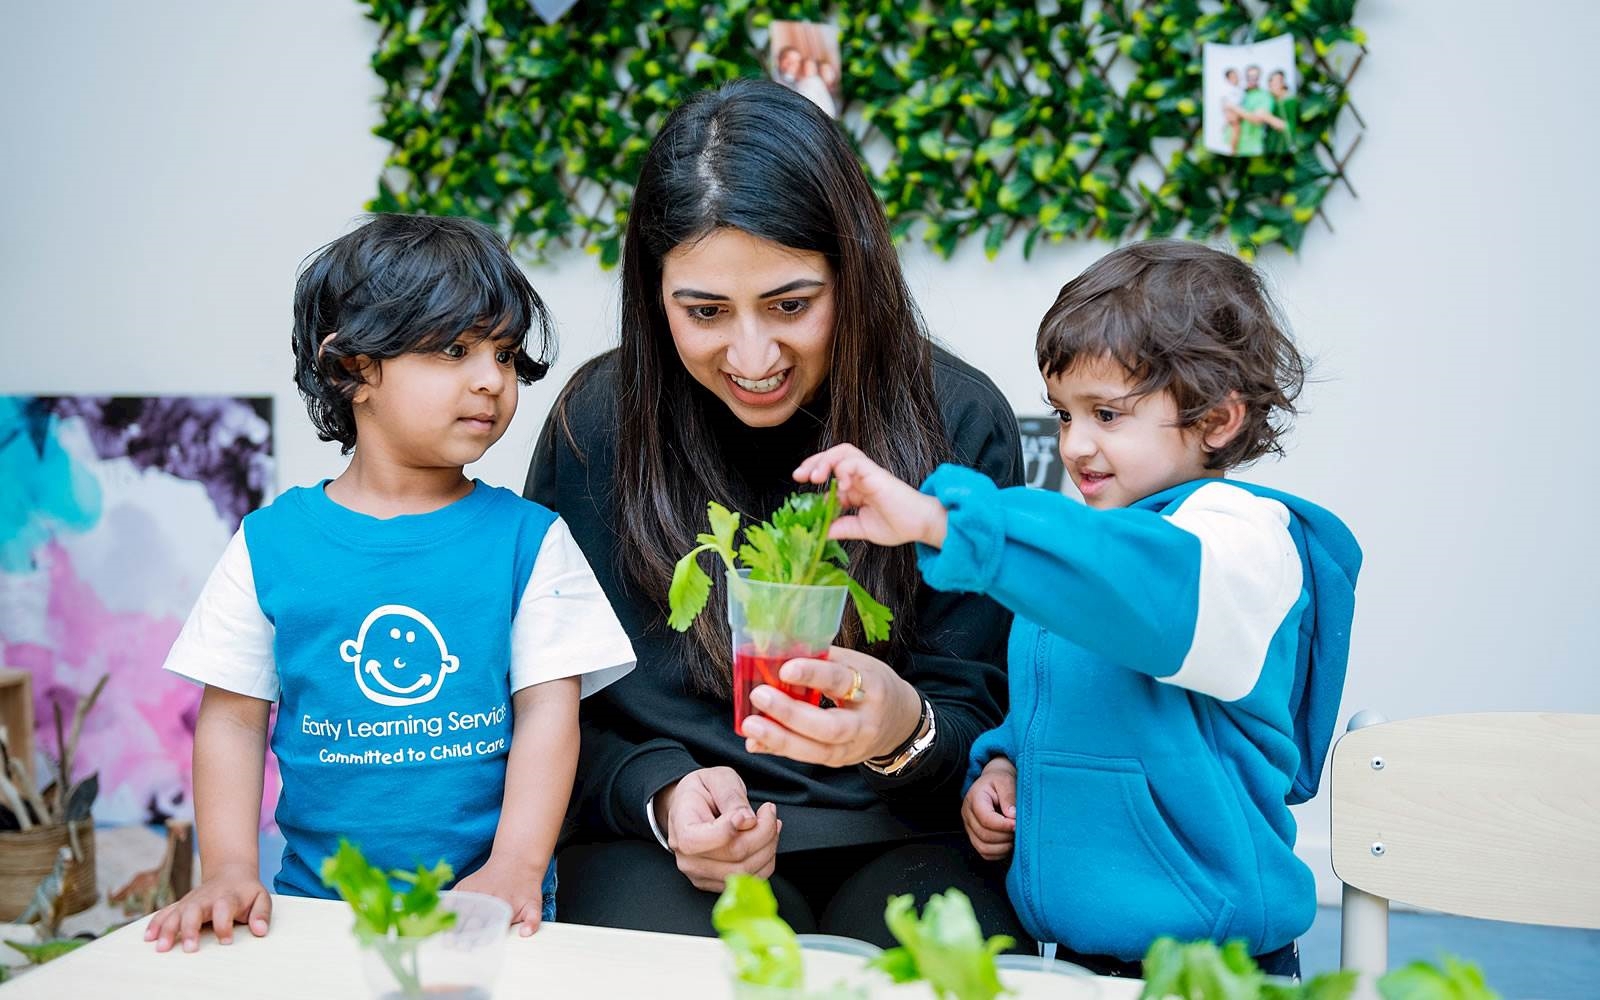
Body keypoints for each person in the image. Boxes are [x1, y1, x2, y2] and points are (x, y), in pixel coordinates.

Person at [524, 78, 1027, 946]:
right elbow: (554, 697)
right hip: (662, 843)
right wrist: (663, 796)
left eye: (792, 305)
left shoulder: (959, 418)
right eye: (705, 312)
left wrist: (904, 727)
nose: (752, 356)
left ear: (854, 272)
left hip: (907, 831)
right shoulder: (596, 424)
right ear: (653, 295)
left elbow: (986, 710)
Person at [794, 239, 1361, 978]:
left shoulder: (1241, 543)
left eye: (1107, 413)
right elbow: (1068, 697)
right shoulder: (1083, 550)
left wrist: (944, 521)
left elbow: (1145, 598)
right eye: (1064, 414)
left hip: (1216, 969)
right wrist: (1003, 766)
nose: (1076, 445)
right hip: (1080, 956)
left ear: (1218, 421)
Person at [147, 214, 636, 953]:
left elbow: (547, 716)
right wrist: (229, 868)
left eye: (504, 354)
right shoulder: (270, 546)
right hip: (318, 915)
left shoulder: (531, 544)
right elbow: (234, 720)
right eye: (454, 349)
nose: (491, 379)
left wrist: (515, 867)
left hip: (492, 915)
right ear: (351, 369)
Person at [1235, 65, 1285, 156]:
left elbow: (1257, 120)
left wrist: (1233, 108)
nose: (1252, 79)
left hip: (1252, 146)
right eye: (1249, 76)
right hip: (1234, 144)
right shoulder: (1243, 93)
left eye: (1255, 77)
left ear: (1259, 78)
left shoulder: (1265, 96)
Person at [1264, 69, 1298, 155]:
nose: (1272, 86)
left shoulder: (1290, 101)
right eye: (1270, 83)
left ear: (1283, 83)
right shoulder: (1272, 101)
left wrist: (1270, 119)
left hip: (1285, 149)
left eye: (1276, 83)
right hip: (1272, 147)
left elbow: (1291, 126)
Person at [1218, 66, 1244, 154]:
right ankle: (1232, 150)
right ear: (1228, 78)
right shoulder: (1226, 89)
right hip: (1231, 113)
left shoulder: (1240, 89)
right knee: (1236, 129)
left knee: (1236, 130)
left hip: (1237, 113)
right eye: (1233, 76)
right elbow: (1224, 104)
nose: (1236, 78)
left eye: (1236, 75)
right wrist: (1227, 115)